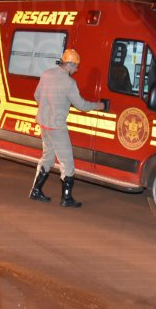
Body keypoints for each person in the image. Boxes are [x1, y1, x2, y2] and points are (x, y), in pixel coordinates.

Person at [29, 48, 106, 208]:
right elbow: (81, 105)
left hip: (44, 123)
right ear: (69, 64)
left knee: (48, 157)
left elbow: (37, 96)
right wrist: (99, 105)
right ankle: (66, 198)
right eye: (76, 66)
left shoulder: (46, 74)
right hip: (57, 127)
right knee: (67, 163)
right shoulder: (69, 83)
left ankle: (35, 191)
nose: (77, 70)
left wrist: (47, 108)